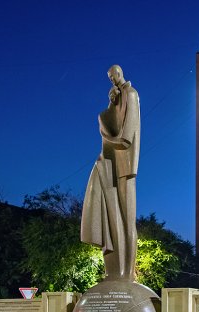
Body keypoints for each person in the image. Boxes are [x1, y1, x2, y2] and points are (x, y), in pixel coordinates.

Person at [80, 65, 140, 280]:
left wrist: (110, 139)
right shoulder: (118, 97)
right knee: (115, 215)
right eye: (109, 78)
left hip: (126, 165)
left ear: (120, 73)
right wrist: (111, 105)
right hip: (112, 163)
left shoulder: (131, 94)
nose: (112, 80)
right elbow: (112, 121)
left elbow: (126, 136)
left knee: (127, 218)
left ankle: (126, 273)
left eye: (113, 76)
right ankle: (116, 271)